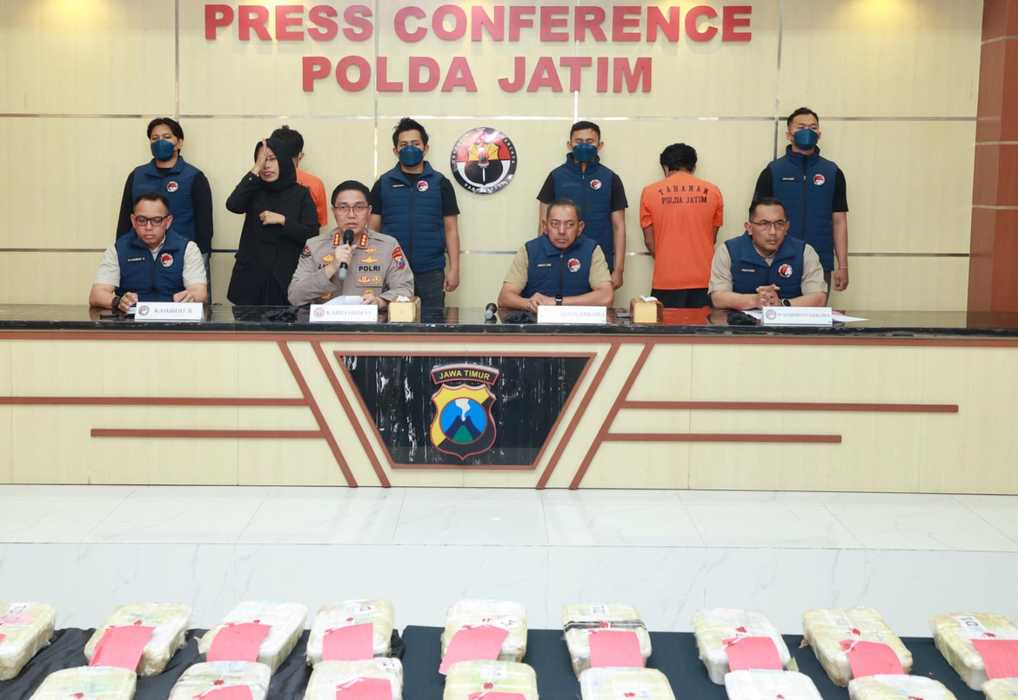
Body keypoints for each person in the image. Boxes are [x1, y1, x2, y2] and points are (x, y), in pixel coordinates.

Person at [753, 107, 849, 293]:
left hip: (819, 263)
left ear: (819, 133)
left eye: (813, 127)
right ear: (789, 134)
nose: (808, 132)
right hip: (777, 260)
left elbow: (839, 221)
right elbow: (758, 221)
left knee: (815, 311)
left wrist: (843, 266)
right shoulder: (773, 171)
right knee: (777, 310)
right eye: (801, 127)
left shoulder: (832, 172)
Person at [369, 117, 460, 309]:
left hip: (431, 271)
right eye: (403, 145)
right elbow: (372, 229)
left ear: (425, 148)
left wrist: (454, 269)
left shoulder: (441, 183)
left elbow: (451, 230)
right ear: (395, 150)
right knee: (391, 322)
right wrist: (372, 267)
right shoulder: (383, 184)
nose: (409, 149)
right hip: (391, 271)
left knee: (432, 323)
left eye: (415, 144)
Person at [288, 180, 414, 308]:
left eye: (359, 207)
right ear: (334, 211)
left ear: (369, 211)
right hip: (325, 320)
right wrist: (332, 267)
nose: (351, 215)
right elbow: (295, 297)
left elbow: (405, 290)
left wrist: (380, 301)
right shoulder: (315, 246)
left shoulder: (388, 245)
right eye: (343, 207)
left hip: (371, 319)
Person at [225, 137, 319, 306]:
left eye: (272, 159)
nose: (266, 166)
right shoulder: (253, 189)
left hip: (285, 279)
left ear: (283, 160)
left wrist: (283, 221)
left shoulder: (301, 194)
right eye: (262, 160)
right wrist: (255, 168)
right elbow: (233, 205)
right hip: (250, 279)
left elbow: (312, 234)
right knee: (246, 323)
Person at [537, 120, 628, 289]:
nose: (584, 146)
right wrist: (542, 262)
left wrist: (619, 270)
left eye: (589, 141)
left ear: (600, 145)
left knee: (600, 305)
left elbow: (619, 227)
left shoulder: (611, 178)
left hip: (600, 263)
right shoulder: (556, 176)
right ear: (569, 144)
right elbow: (543, 225)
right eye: (578, 141)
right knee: (559, 305)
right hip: (560, 261)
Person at [115, 117, 214, 272]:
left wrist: (201, 259)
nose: (160, 142)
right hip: (140, 256)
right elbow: (124, 222)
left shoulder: (194, 177)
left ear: (179, 143)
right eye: (155, 138)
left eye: (167, 137)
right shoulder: (137, 176)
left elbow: (204, 226)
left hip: (183, 256)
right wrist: (120, 252)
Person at [91, 193, 207, 312]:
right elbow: (97, 294)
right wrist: (118, 302)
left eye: (156, 220)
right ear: (133, 221)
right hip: (131, 319)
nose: (148, 227)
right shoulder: (118, 249)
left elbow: (200, 292)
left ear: (168, 221)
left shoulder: (187, 248)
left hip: (173, 317)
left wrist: (190, 297)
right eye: (142, 220)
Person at [639, 143, 723, 308]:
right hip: (704, 279)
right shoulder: (713, 191)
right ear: (693, 166)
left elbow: (650, 242)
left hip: (666, 280)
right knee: (702, 325)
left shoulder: (649, 192)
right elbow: (712, 237)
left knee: (668, 325)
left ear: (665, 167)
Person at [709, 197, 827, 311]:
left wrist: (781, 305)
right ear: (749, 228)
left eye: (779, 223)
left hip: (790, 322)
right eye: (764, 224)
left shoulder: (804, 251)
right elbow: (718, 298)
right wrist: (755, 300)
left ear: (787, 227)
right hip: (740, 322)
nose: (773, 232)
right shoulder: (728, 250)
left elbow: (819, 298)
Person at [497, 199, 613, 312]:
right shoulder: (530, 250)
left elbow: (606, 297)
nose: (562, 231)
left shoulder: (591, 250)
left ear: (580, 227)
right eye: (555, 224)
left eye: (570, 224)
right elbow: (505, 297)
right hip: (536, 322)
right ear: (545, 226)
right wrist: (531, 304)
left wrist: (557, 302)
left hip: (579, 322)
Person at [270, 125, 328, 229]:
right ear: (300, 156)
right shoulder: (315, 184)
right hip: (304, 238)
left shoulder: (260, 180)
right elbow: (318, 223)